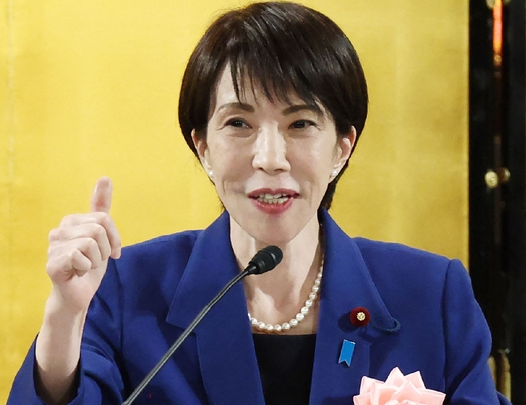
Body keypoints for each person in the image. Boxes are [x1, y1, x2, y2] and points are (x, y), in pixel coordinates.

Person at [7, 2, 511, 405]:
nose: (270, 158)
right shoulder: (126, 288)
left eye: (300, 124)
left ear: (341, 149)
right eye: (238, 124)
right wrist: (64, 314)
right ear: (203, 147)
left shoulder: (431, 295)